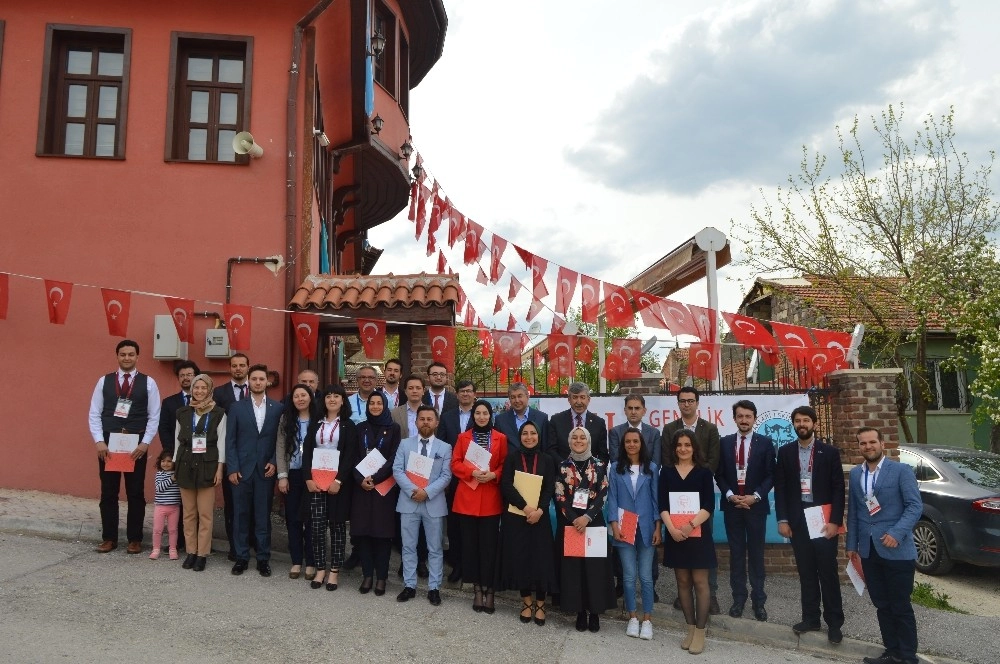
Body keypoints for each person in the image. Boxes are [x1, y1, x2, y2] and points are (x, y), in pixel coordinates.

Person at [848, 428, 922, 664]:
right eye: (863, 443)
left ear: (882, 443)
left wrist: (897, 533)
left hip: (897, 550)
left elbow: (914, 506)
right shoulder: (855, 474)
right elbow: (855, 512)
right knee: (881, 604)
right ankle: (891, 651)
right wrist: (852, 545)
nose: (868, 446)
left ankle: (908, 656)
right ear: (858, 446)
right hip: (869, 549)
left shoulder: (901, 471)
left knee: (900, 605)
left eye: (872, 442)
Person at [774, 405, 845, 644]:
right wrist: (782, 519)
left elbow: (838, 489)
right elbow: (781, 488)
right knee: (806, 572)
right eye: (797, 421)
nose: (801, 424)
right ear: (793, 424)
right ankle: (811, 617)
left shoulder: (829, 452)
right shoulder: (784, 453)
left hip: (823, 520)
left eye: (806, 420)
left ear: (814, 424)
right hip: (798, 520)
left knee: (827, 572)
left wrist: (835, 521)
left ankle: (834, 623)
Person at [88, 339, 161, 554]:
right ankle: (109, 538)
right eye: (123, 354)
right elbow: (94, 413)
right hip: (108, 445)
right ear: (117, 356)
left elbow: (153, 415)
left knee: (135, 492)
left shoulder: (149, 383)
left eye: (131, 354)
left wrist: (145, 443)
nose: (127, 358)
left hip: (135, 445)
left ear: (137, 357)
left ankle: (135, 539)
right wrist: (99, 441)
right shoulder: (104, 381)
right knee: (108, 492)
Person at [662, 386, 721, 614]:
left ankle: (710, 594)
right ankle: (683, 594)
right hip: (675, 499)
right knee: (681, 543)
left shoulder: (710, 429)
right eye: (682, 401)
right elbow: (667, 459)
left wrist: (696, 478)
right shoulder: (669, 429)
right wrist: (680, 480)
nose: (686, 404)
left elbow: (713, 461)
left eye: (690, 400)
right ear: (678, 404)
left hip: (700, 501)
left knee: (703, 547)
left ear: (697, 403)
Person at [715, 399, 775, 621]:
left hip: (756, 507)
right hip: (733, 507)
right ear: (734, 419)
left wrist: (755, 497)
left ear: (754, 418)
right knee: (737, 556)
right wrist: (730, 495)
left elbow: (771, 474)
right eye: (740, 416)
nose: (744, 420)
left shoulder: (765, 443)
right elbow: (718, 474)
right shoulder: (725, 443)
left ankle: (759, 601)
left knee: (757, 556)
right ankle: (738, 599)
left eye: (748, 416)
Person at [659, 429, 716, 655]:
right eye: (679, 445)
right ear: (674, 449)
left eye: (687, 445)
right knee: (682, 582)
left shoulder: (703, 472)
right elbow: (662, 505)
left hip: (698, 534)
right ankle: (690, 628)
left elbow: (708, 506)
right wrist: (672, 529)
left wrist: (689, 526)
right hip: (675, 535)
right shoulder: (667, 472)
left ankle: (701, 632)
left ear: (694, 448)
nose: (683, 449)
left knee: (701, 583)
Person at [554, 426, 616, 633]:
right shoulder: (563, 467)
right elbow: (560, 496)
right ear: (569, 441)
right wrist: (575, 519)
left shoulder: (599, 465)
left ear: (588, 441)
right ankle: (580, 611)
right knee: (575, 568)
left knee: (595, 568)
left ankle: (595, 612)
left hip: (593, 523)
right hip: (572, 524)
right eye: (574, 438)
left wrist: (587, 517)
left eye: (583, 437)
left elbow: (603, 493)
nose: (578, 440)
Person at [450, 400, 508, 613]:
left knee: (489, 548)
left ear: (490, 415)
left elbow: (504, 464)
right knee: (471, 547)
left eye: (485, 413)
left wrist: (494, 474)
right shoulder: (463, 438)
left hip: (490, 497)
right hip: (467, 497)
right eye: (478, 413)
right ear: (473, 416)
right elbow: (454, 463)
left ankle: (489, 590)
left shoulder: (500, 438)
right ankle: (476, 589)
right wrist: (471, 473)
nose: (481, 417)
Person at [225, 364, 282, 577]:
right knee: (240, 516)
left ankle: (263, 558)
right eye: (254, 379)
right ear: (249, 381)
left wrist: (275, 461)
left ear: (267, 381)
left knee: (262, 516)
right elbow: (230, 440)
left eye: (261, 379)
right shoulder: (237, 408)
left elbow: (281, 440)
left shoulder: (277, 408)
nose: (258, 382)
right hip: (241, 471)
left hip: (265, 471)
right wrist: (232, 467)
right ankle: (241, 557)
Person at [499, 420, 557, 626]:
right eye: (525, 433)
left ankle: (540, 604)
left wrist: (540, 510)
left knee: (541, 560)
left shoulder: (548, 460)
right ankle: (526, 602)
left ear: (539, 436)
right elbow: (506, 485)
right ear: (519, 436)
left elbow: (550, 487)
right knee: (521, 559)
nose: (529, 437)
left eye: (533, 433)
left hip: (540, 518)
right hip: (517, 516)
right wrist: (525, 508)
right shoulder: (512, 458)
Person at [393, 405, 453, 606]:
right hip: (409, 502)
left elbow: (446, 475)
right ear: (416, 422)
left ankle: (434, 588)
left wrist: (426, 492)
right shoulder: (404, 444)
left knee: (435, 548)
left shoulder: (444, 448)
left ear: (436, 423)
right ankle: (409, 585)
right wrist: (413, 490)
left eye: (430, 419)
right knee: (408, 547)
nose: (426, 422)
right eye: (422, 419)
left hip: (433, 503)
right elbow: (397, 470)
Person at [607, 394, 663, 600]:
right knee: (625, 558)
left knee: (648, 555)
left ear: (643, 410)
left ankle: (651, 587)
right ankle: (622, 584)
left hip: (645, 506)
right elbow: (615, 459)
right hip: (625, 509)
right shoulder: (615, 432)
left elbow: (654, 464)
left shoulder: (654, 433)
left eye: (637, 408)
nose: (633, 411)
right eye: (629, 408)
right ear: (625, 410)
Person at [302, 384, 357, 591]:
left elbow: (350, 455)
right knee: (316, 527)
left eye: (336, 396)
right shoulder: (316, 425)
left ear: (343, 401)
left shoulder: (348, 426)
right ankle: (319, 568)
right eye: (328, 396)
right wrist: (307, 478)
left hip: (337, 484)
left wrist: (339, 481)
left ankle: (334, 570)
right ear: (323, 401)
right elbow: (307, 451)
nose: (332, 399)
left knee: (337, 528)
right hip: (316, 483)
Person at [608, 428, 661, 641]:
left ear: (641, 444)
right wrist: (614, 525)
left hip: (647, 527)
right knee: (628, 577)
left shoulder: (652, 468)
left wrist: (658, 527)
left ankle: (647, 619)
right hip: (624, 526)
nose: (631, 444)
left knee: (646, 577)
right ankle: (632, 617)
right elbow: (612, 498)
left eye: (635, 441)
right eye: (628, 441)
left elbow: (656, 499)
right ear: (623, 445)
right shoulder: (615, 468)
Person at [173, 373, 225, 572]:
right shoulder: (182, 412)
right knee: (188, 514)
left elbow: (221, 443)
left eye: (204, 388)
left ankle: (202, 554)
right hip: (185, 464)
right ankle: (191, 551)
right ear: (192, 389)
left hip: (207, 466)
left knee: (205, 514)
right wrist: (176, 467)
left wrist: (219, 469)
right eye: (197, 387)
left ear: (210, 390)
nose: (200, 391)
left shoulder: (219, 413)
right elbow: (176, 441)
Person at [351, 391, 401, 596]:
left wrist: (377, 478)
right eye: (372, 403)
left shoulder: (393, 428)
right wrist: (359, 479)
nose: (375, 406)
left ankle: (381, 578)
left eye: (379, 403)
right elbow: (352, 455)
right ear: (367, 406)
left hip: (383, 489)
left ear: (385, 405)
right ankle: (367, 575)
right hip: (361, 487)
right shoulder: (359, 428)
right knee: (363, 533)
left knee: (382, 535)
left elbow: (394, 457)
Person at [436, 379, 478, 583]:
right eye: (462, 391)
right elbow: (442, 447)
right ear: (457, 394)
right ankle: (456, 563)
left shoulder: (481, 415)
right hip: (453, 477)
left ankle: (471, 564)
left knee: (472, 524)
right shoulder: (447, 417)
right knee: (454, 523)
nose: (466, 395)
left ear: (474, 394)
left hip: (476, 478)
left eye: (469, 391)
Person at [157, 360, 200, 552]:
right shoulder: (169, 402)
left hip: (200, 458)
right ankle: (179, 541)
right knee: (178, 500)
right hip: (178, 458)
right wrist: (172, 454)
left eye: (189, 374)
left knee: (196, 502)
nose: (186, 378)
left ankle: (198, 542)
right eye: (182, 375)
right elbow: (164, 428)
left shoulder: (206, 402)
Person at [276, 383, 317, 580]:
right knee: (292, 519)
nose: (300, 399)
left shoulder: (319, 419)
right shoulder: (286, 419)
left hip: (313, 476)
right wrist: (282, 476)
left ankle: (311, 562)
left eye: (303, 395)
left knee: (310, 520)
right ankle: (296, 561)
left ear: (310, 397)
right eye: (296, 396)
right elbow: (280, 448)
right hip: (292, 474)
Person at [213, 352, 251, 560]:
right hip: (229, 456)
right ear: (230, 368)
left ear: (248, 367)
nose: (238, 369)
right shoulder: (219, 393)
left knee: (252, 504)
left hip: (253, 457)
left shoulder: (256, 390)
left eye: (242, 365)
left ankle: (250, 542)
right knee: (232, 505)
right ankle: (234, 546)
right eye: (234, 365)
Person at [546, 382, 609, 464]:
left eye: (582, 397)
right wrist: (565, 468)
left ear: (588, 399)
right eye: (575, 397)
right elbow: (551, 450)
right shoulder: (556, 420)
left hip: (591, 474)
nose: (579, 402)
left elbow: (603, 454)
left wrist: (595, 471)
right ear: (569, 399)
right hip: (563, 473)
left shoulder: (599, 423)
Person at [493, 381, 549, 452]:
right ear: (509, 399)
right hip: (510, 462)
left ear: (527, 396)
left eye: (520, 396)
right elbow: (498, 448)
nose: (517, 400)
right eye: (513, 397)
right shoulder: (500, 420)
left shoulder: (542, 418)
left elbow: (545, 448)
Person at [149, 451, 181, 561]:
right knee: (157, 529)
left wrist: (175, 477)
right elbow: (159, 488)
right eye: (163, 461)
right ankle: (156, 549)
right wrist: (172, 479)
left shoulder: (177, 474)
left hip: (174, 507)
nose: (165, 464)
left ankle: (173, 549)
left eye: (169, 461)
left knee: (173, 530)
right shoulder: (159, 474)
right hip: (160, 507)